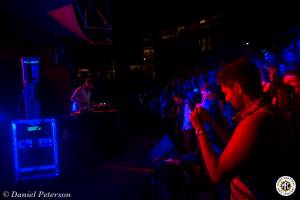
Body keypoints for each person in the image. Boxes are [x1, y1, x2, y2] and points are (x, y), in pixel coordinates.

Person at [190, 58, 296, 199]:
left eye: (226, 92)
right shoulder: (261, 112)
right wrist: (210, 121)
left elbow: (216, 174)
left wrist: (199, 129)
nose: (226, 99)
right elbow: (234, 146)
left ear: (238, 88)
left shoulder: (256, 119)